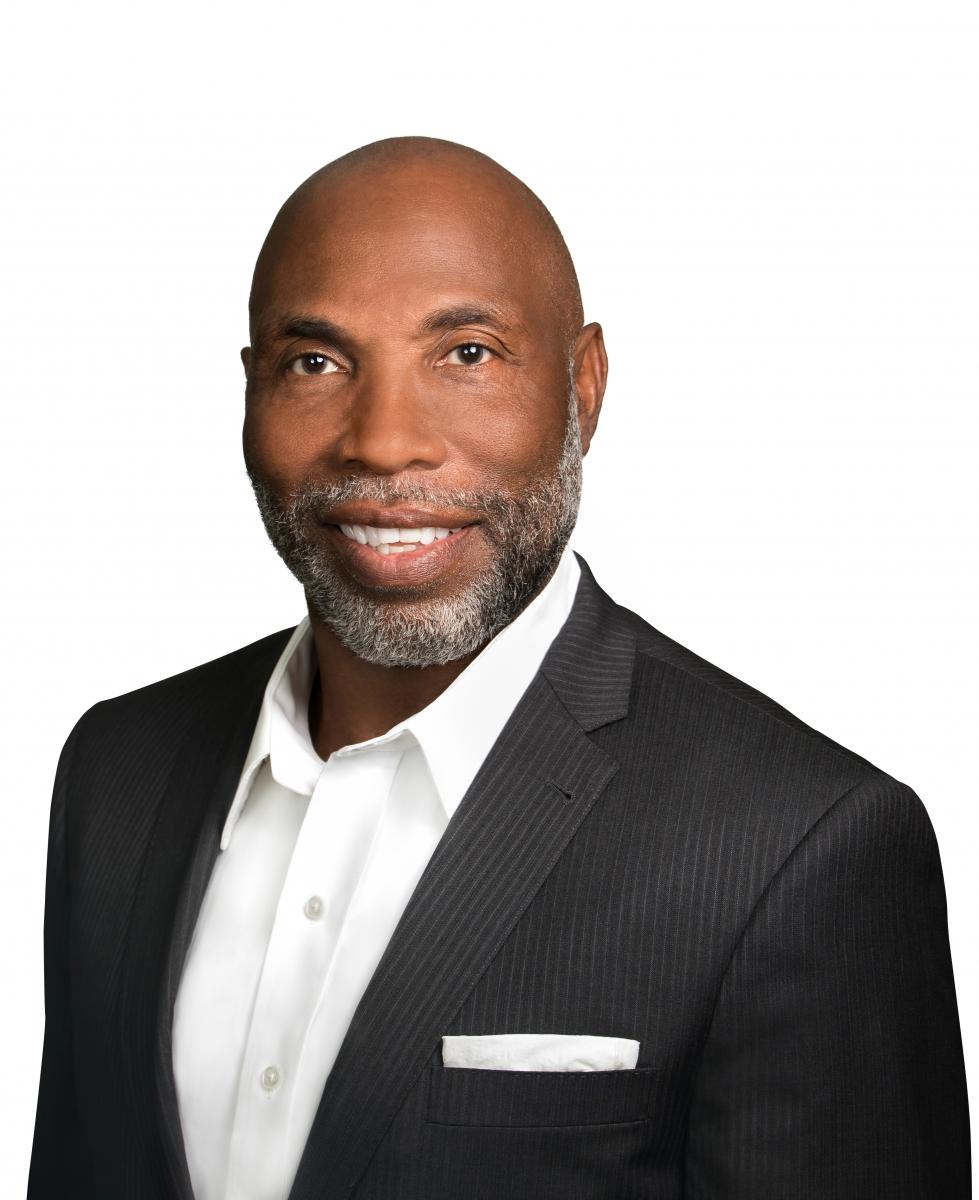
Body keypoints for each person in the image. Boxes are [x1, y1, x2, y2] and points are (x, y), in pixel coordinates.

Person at [28, 136, 970, 1200]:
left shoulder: (800, 842)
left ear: (583, 387)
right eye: (316, 362)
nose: (384, 442)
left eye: (467, 354)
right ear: (250, 392)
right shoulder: (117, 768)